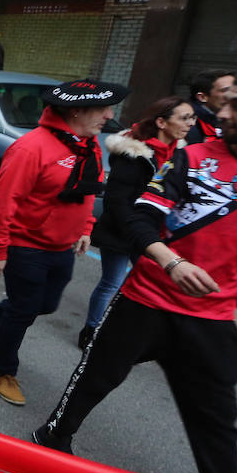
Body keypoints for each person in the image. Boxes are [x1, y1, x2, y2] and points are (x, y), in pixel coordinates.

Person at [33, 68, 237, 473]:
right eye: (225, 102)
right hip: (146, 300)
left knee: (217, 415)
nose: (225, 113)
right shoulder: (194, 158)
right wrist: (170, 262)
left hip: (213, 318)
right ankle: (54, 436)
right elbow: (143, 216)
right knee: (96, 376)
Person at [0, 80, 122, 405]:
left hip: (62, 247)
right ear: (76, 110)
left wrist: (86, 227)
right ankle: (3, 370)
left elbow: (87, 189)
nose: (110, 116)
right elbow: (1, 202)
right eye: (103, 109)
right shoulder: (31, 147)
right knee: (24, 309)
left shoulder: (88, 144)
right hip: (26, 246)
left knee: (46, 304)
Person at [78, 96, 194, 349]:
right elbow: (116, 201)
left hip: (154, 234)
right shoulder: (133, 153)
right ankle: (91, 332)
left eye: (192, 118)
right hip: (123, 231)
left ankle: (128, 335)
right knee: (112, 283)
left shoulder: (182, 154)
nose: (190, 124)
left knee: (144, 287)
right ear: (162, 122)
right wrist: (136, 231)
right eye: (184, 118)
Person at [188, 68, 235, 144]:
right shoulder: (188, 125)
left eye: (236, 89)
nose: (234, 95)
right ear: (202, 97)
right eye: (226, 90)